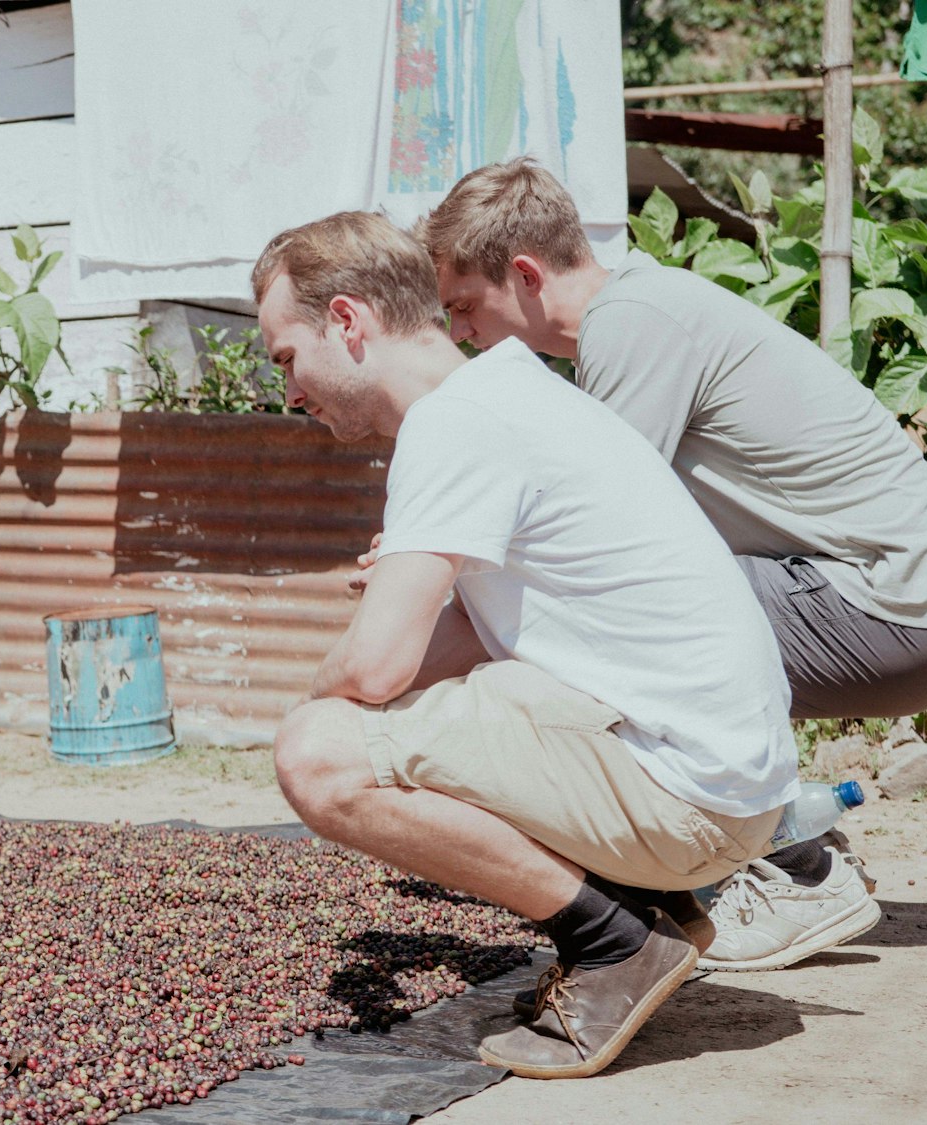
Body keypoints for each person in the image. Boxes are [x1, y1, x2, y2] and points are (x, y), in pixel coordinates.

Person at [255, 213, 799, 1079]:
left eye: (287, 358)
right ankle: (648, 902)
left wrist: (315, 702)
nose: (289, 391)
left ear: (349, 322)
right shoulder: (510, 391)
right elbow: (474, 632)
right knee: (399, 711)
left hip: (693, 797)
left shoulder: (453, 425)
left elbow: (376, 665)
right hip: (723, 779)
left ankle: (616, 940)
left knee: (318, 754)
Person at [414, 157, 927, 971]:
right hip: (902, 607)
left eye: (465, 306)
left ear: (526, 276)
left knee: (591, 616)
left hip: (892, 609)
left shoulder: (632, 324)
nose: (462, 333)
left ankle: (800, 872)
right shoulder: (645, 310)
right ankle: (790, 840)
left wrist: (438, 553)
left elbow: (590, 545)